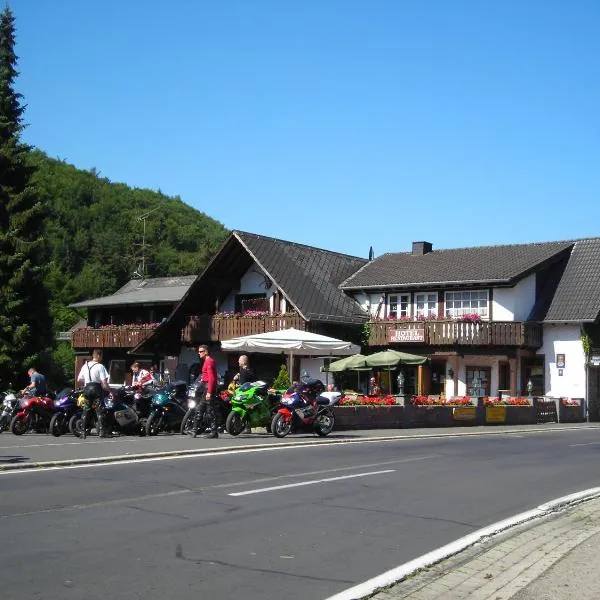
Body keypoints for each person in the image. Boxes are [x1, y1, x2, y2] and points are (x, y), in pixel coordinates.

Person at [77, 349, 111, 437]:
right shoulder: (100, 366)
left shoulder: (85, 365)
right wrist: (110, 391)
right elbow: (104, 382)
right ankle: (102, 432)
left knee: (86, 410)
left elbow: (79, 379)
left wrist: (88, 380)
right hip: (96, 388)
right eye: (101, 356)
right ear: (99, 356)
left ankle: (83, 432)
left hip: (87, 388)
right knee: (100, 410)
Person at [191, 344, 219, 438]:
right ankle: (194, 430)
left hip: (209, 387)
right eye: (198, 352)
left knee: (209, 410)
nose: (199, 353)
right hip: (206, 387)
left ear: (206, 352)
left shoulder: (209, 362)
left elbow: (212, 378)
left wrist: (209, 392)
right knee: (201, 408)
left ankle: (213, 432)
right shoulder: (207, 361)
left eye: (200, 351)